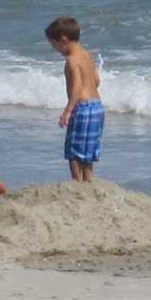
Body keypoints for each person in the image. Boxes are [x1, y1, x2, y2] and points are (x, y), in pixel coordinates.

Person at [45, 16, 104, 182]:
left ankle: (77, 183)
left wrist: (68, 111)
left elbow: (77, 87)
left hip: (82, 108)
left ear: (63, 40)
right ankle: (89, 179)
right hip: (97, 107)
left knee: (73, 151)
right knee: (88, 150)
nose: (54, 48)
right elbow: (97, 81)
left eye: (54, 44)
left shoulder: (71, 61)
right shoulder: (86, 55)